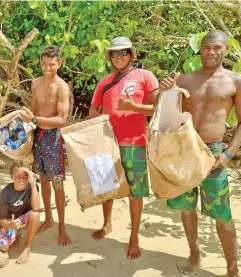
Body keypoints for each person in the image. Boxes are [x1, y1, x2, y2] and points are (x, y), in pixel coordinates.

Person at [159, 30, 241, 277]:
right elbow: (158, 105)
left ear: (226, 49)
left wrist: (229, 154)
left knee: (222, 214)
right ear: (199, 49)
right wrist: (163, 89)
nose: (211, 52)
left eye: (216, 48)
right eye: (206, 48)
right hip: (185, 148)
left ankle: (232, 269)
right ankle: (194, 254)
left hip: (214, 153)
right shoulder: (185, 79)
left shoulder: (237, 81)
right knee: (186, 208)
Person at [88, 37, 159, 259]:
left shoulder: (145, 76)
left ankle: (134, 237)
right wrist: (103, 118)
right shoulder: (104, 81)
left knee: (136, 192)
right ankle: (107, 224)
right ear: (110, 57)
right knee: (106, 187)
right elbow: (93, 110)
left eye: (123, 53)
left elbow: (157, 109)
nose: (118, 57)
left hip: (134, 143)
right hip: (107, 142)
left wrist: (133, 107)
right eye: (114, 54)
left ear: (132, 55)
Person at [20, 45, 72, 247]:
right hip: (38, 138)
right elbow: (33, 112)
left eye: (51, 64)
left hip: (53, 139)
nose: (47, 68)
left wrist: (34, 119)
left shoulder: (62, 87)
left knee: (57, 183)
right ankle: (48, 218)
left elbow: (62, 120)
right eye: (43, 64)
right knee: (43, 180)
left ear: (59, 63)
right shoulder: (35, 83)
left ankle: (61, 227)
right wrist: (28, 128)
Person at [0, 160, 40, 264]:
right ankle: (16, 234)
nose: (21, 179)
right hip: (11, 222)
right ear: (11, 176)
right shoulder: (6, 193)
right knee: (3, 247)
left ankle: (27, 246)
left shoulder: (32, 187)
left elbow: (37, 208)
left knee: (35, 215)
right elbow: (2, 220)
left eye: (25, 176)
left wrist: (33, 184)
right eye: (17, 176)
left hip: (25, 218)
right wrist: (10, 225)